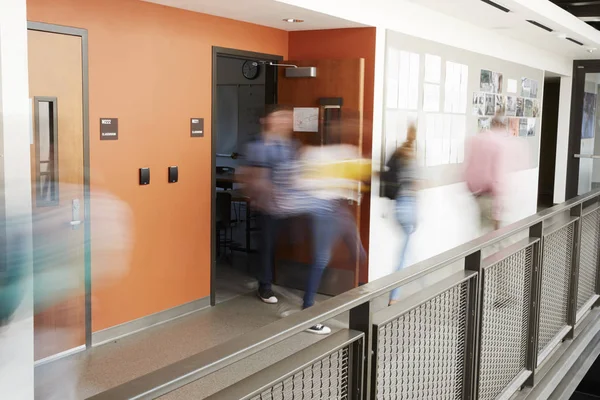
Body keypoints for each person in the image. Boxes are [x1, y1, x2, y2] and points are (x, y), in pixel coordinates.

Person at [381, 124, 418, 305]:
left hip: (397, 206)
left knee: (407, 248)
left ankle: (412, 283)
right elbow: (414, 186)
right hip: (408, 206)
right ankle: (394, 295)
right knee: (404, 253)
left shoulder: (397, 152)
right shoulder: (411, 156)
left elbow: (385, 175)